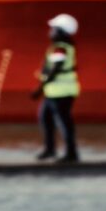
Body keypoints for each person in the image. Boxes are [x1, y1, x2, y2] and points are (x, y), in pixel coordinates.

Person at [33, 13, 83, 165]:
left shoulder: (60, 48)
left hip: (60, 91)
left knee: (63, 122)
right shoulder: (63, 46)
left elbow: (55, 68)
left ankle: (71, 153)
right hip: (55, 91)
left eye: (53, 28)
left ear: (61, 31)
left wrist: (39, 88)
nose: (50, 31)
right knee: (46, 118)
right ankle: (50, 149)